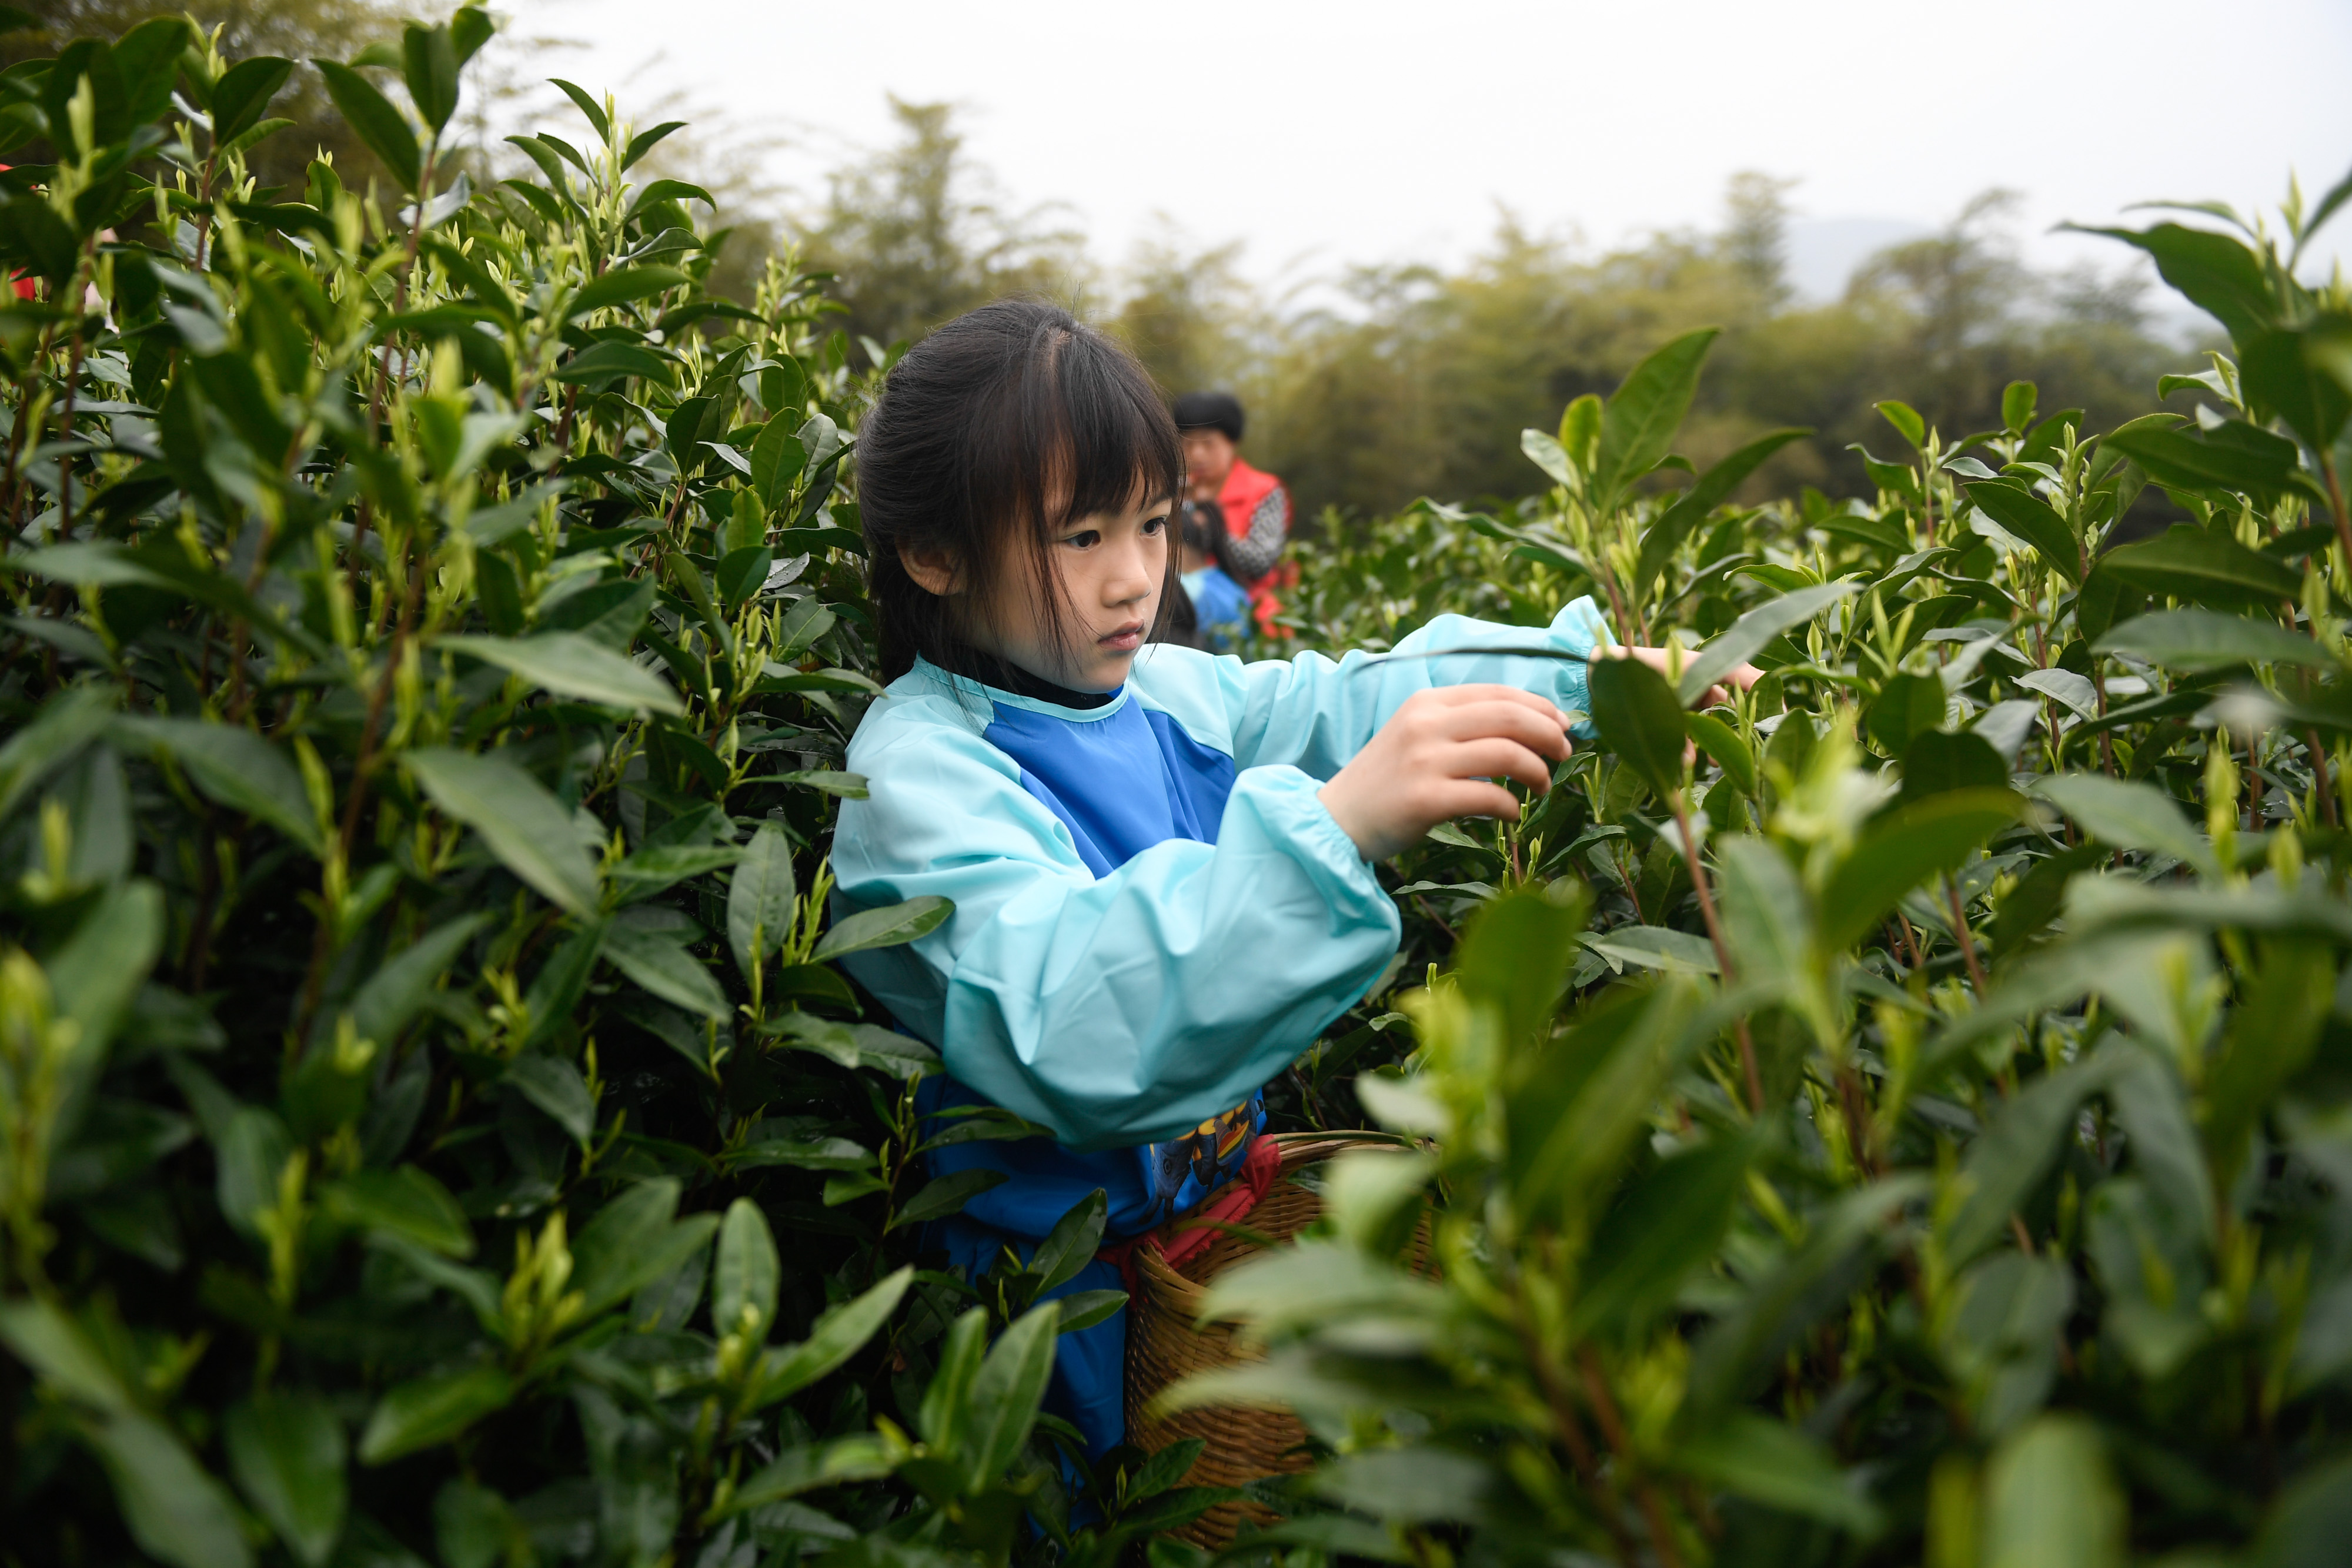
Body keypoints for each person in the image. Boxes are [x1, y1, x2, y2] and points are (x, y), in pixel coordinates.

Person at [832, 299, 1746, 1469]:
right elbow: (1065, 1014)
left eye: (1151, 525)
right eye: (1080, 537)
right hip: (1054, 1324)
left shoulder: (1159, 691)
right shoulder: (920, 770)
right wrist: (1335, 823)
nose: (1132, 580)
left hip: (1214, 1259)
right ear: (934, 552)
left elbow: (1341, 698)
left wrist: (1586, 679)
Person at [1172, 390, 1291, 637]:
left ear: (1232, 443)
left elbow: (1260, 560)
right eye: (1188, 444)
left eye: (1208, 443)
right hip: (1184, 616)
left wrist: (1212, 530)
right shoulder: (1170, 492)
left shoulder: (1265, 491)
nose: (1197, 455)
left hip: (1252, 620)